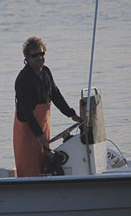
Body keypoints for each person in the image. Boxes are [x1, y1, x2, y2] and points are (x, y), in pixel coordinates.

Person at [13, 36, 81, 177]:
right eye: (35, 55)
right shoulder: (23, 79)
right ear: (27, 58)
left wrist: (71, 114)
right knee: (29, 169)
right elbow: (26, 111)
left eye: (42, 53)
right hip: (27, 131)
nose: (39, 57)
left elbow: (56, 95)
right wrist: (39, 135)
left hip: (43, 129)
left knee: (43, 165)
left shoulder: (46, 72)